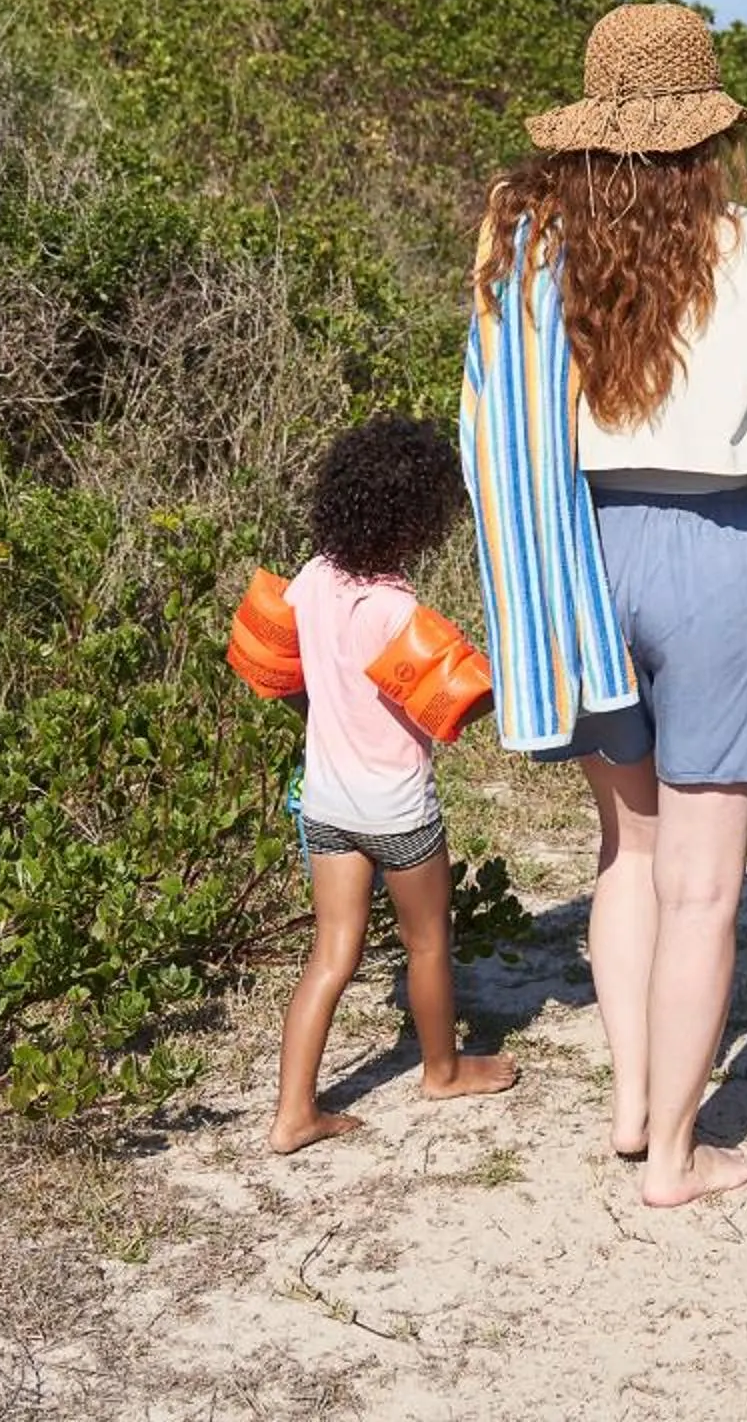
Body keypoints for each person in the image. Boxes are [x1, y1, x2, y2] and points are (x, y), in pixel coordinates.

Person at [462, 2, 747, 1208]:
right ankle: (681, 1157)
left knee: (625, 850)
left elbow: (492, 419)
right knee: (704, 881)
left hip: (580, 551)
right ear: (710, 132)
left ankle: (634, 1104)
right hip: (724, 555)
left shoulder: (526, 247)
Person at [225, 417, 519, 1156]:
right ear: (417, 519)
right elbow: (464, 703)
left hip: (324, 799)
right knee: (427, 944)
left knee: (332, 953)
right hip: (395, 808)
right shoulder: (394, 610)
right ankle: (443, 1070)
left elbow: (289, 680)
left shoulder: (313, 580)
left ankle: (294, 1112)